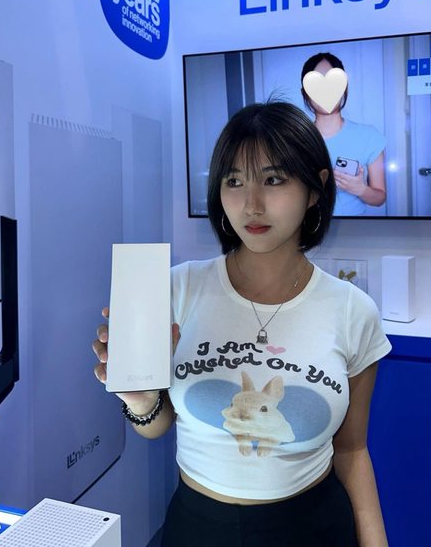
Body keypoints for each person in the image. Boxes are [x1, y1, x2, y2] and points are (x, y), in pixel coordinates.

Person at [93, 101, 392, 546]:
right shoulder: (178, 288)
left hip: (311, 527)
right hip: (197, 527)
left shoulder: (352, 310)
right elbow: (155, 426)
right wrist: (141, 400)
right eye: (234, 181)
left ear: (315, 189)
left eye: (273, 180)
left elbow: (352, 451)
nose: (251, 204)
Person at [301, 52, 387, 216]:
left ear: (344, 88)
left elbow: (379, 198)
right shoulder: (294, 139)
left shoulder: (369, 136)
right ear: (305, 93)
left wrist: (360, 189)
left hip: (353, 229)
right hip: (307, 228)